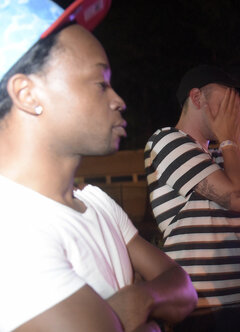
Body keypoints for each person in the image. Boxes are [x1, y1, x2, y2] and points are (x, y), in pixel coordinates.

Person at [0, 1, 198, 331]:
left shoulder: (96, 201)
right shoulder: (11, 229)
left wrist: (140, 301)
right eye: (100, 83)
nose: (118, 100)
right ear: (27, 93)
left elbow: (184, 288)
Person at [144, 65, 240, 332]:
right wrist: (227, 138)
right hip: (208, 315)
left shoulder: (219, 156)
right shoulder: (167, 141)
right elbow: (237, 198)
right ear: (196, 97)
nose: (235, 110)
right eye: (228, 100)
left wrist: (234, 139)